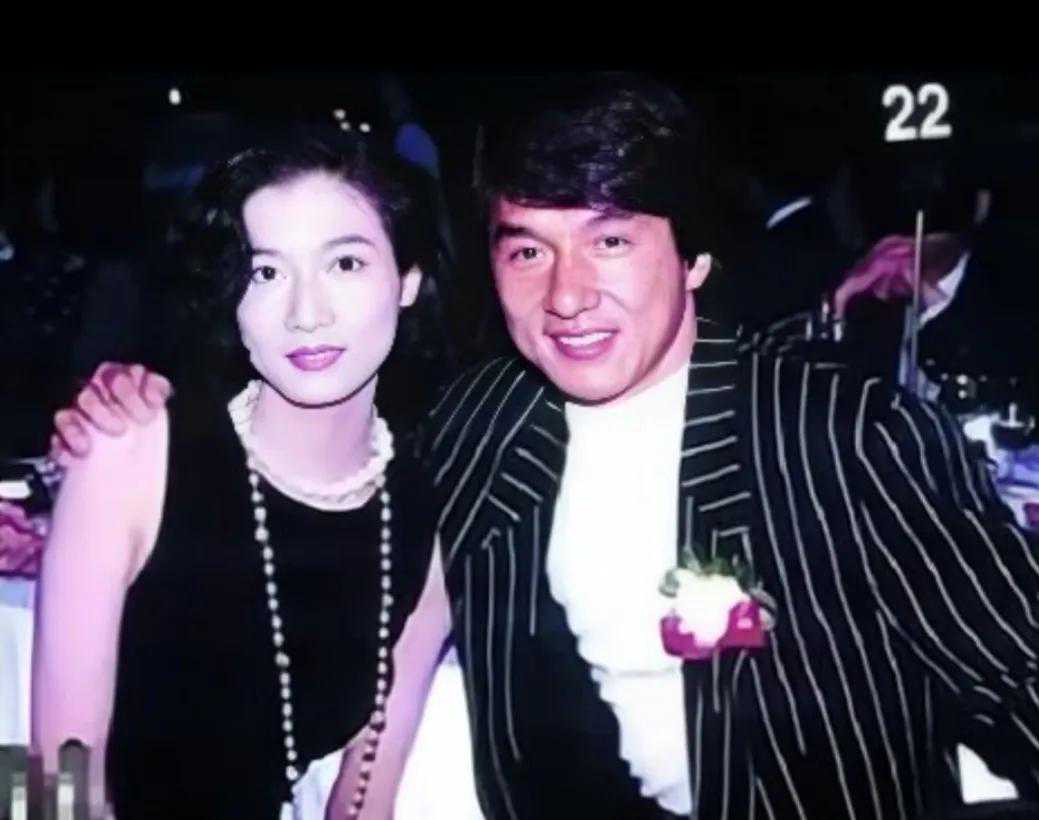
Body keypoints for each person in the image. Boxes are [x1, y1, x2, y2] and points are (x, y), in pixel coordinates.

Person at [53, 74, 1039, 820]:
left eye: (609, 241)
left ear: (693, 254)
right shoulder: (476, 432)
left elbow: (1018, 683)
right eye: (527, 249)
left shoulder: (847, 434)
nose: (566, 295)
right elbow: (27, 761)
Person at [33, 130, 454, 820]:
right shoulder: (133, 452)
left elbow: (365, 797)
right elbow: (52, 778)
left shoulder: (420, 516)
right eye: (265, 273)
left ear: (406, 280)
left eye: (345, 263)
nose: (306, 313)